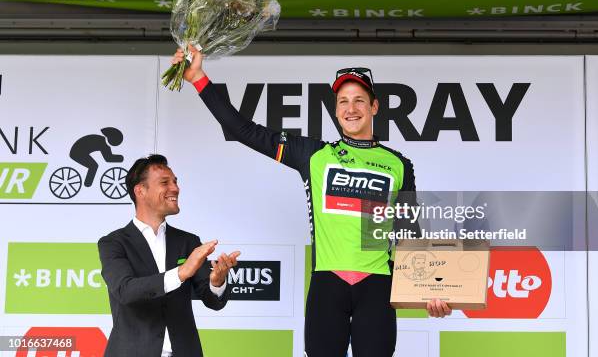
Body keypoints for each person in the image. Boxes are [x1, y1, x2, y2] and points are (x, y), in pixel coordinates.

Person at [172, 47, 451, 357]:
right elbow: (243, 130)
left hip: (378, 287)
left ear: (374, 106)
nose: (351, 108)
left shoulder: (399, 164)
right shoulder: (314, 155)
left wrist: (430, 291)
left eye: (359, 100)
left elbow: (410, 235)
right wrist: (198, 78)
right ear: (335, 111)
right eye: (343, 101)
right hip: (327, 285)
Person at [98, 154, 240, 357]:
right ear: (140, 191)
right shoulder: (114, 243)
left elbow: (213, 301)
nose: (175, 188)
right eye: (165, 182)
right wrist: (181, 273)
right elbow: (125, 291)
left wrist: (217, 282)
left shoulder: (188, 242)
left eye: (175, 181)